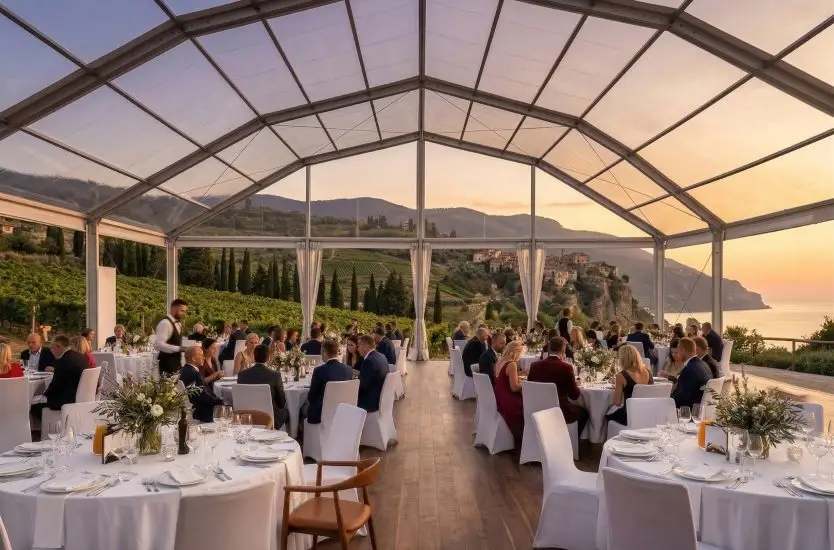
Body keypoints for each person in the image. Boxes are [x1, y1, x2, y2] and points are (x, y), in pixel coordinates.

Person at [529, 337, 589, 436]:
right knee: (584, 413)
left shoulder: (534, 365)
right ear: (563, 349)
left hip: (537, 409)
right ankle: (569, 440)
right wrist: (576, 384)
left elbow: (531, 388)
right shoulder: (566, 367)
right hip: (559, 411)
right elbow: (574, 395)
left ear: (549, 349)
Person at [30, 335, 87, 421]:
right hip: (81, 398)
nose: (51, 351)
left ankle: (51, 426)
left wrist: (43, 395)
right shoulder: (80, 356)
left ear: (58, 346)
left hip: (66, 402)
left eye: (52, 348)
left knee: (32, 406)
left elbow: (55, 385)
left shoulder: (63, 361)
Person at [237, 345, 289, 429]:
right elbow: (281, 402)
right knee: (288, 411)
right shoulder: (275, 375)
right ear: (268, 358)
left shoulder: (241, 375)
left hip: (247, 417)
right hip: (270, 419)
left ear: (254, 357)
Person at [304, 339, 354, 425]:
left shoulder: (319, 371)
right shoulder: (348, 370)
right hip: (344, 411)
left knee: (302, 408)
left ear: (324, 352)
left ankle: (298, 431)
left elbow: (311, 396)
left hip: (322, 415)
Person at [606, 344, 654, 426]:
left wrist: (618, 387)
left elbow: (616, 402)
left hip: (629, 415)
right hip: (647, 413)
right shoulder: (648, 371)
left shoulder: (621, 376)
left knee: (606, 414)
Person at [493, 341, 525, 449]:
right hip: (508, 400)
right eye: (520, 353)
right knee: (527, 407)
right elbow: (514, 387)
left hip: (498, 396)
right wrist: (525, 384)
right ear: (516, 352)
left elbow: (503, 380)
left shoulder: (499, 362)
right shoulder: (511, 364)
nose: (520, 356)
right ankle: (523, 440)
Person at [179, 346, 222, 424]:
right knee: (230, 410)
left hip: (194, 409)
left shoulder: (183, 370)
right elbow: (203, 396)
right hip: (202, 413)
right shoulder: (194, 374)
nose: (204, 357)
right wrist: (220, 402)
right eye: (201, 355)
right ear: (193, 359)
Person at [670, 337, 712, 409]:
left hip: (691, 410)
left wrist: (667, 398)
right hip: (705, 407)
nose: (678, 354)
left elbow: (680, 398)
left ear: (683, 350)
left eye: (678, 351)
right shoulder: (704, 365)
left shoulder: (689, 369)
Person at [153, 299, 189, 376]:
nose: (184, 314)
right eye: (182, 311)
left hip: (176, 362)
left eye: (185, 311)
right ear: (174, 309)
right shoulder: (165, 323)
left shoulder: (178, 323)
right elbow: (158, 345)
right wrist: (179, 348)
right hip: (167, 364)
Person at [356, 335, 389, 413]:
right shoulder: (381, 356)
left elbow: (362, 386)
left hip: (370, 402)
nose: (357, 349)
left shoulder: (369, 361)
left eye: (359, 346)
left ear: (365, 346)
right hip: (381, 397)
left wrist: (351, 381)